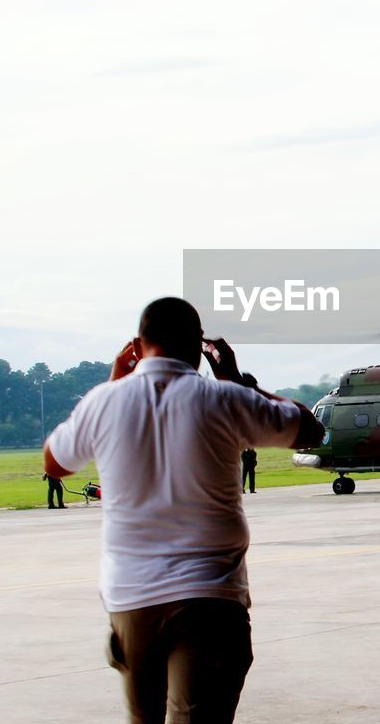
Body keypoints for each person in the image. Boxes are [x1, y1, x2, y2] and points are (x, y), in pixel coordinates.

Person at [43, 297, 324, 724]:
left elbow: (55, 463)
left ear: (138, 345)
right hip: (209, 599)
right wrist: (234, 377)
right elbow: (309, 429)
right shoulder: (225, 398)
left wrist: (114, 382)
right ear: (200, 346)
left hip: (131, 600)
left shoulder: (103, 401)